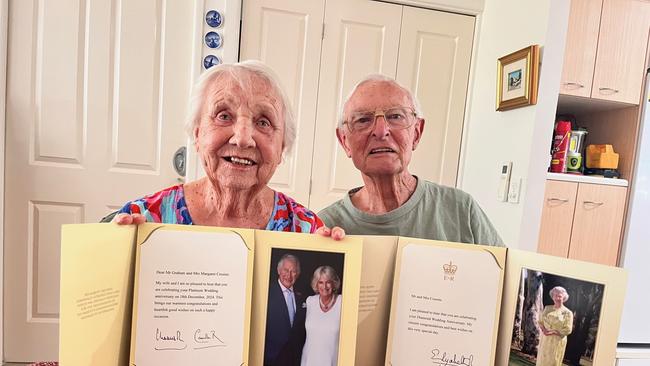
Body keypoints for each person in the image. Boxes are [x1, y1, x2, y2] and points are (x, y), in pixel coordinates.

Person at [108, 60, 346, 237]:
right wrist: (114, 257)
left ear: (282, 145)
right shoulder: (146, 218)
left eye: (263, 122)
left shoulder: (305, 231)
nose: (243, 139)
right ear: (197, 133)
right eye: (223, 116)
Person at [318, 74, 504, 246]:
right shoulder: (324, 226)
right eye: (363, 120)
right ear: (344, 141)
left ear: (416, 133)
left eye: (395, 116)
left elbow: (506, 279)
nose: (381, 131)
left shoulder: (460, 210)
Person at [264, 254, 306, 366]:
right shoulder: (266, 293)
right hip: (272, 358)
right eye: (286, 270)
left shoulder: (302, 296)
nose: (289, 275)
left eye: (293, 271)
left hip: (294, 359)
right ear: (278, 270)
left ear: (298, 274)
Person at [300, 266, 342, 366]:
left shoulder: (342, 302)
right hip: (309, 361)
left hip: (333, 362)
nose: (324, 286)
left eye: (328, 282)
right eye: (320, 282)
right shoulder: (310, 301)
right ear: (316, 284)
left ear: (334, 283)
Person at [536, 286, 574, 366]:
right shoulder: (547, 308)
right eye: (555, 295)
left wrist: (553, 332)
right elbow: (540, 321)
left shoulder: (568, 313)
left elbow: (568, 329)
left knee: (553, 361)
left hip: (557, 341)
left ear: (564, 297)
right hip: (545, 339)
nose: (557, 298)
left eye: (559, 296)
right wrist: (544, 330)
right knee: (542, 360)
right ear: (552, 297)